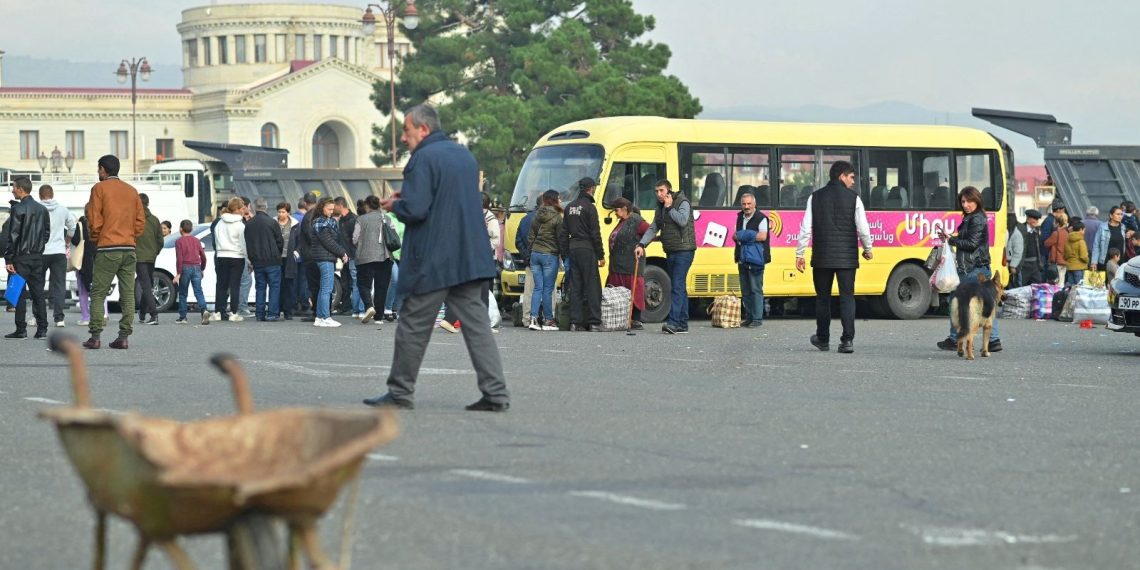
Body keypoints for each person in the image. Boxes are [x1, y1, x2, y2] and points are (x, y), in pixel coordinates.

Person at [363, 104, 509, 412]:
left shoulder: (422, 158)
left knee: (413, 324)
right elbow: (448, 200)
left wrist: (394, 205)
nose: (404, 138)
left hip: (434, 259)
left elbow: (417, 209)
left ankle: (400, 391)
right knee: (477, 327)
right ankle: (496, 393)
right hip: (470, 256)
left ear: (423, 129)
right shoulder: (464, 156)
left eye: (406, 130)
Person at [794, 161, 873, 354]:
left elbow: (806, 228)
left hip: (821, 257)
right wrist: (868, 248)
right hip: (846, 258)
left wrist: (800, 253)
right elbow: (863, 228)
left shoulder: (815, 197)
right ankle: (847, 341)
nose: (853, 182)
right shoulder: (854, 199)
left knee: (823, 299)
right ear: (842, 176)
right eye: (851, 177)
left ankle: (822, 339)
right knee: (847, 298)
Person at [84, 156, 146, 350]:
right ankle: (124, 336)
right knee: (127, 293)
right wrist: (131, 236)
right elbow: (140, 221)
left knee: (98, 292)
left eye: (98, 169)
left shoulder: (99, 189)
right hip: (129, 248)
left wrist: (97, 238)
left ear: (103, 169)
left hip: (108, 247)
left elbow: (95, 220)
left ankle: (95, 336)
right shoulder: (132, 191)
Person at [936, 186, 1002, 353]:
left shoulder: (977, 219)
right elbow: (969, 239)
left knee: (956, 301)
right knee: (986, 301)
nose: (965, 204)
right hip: (977, 267)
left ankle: (954, 338)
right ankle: (993, 340)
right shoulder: (972, 218)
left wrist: (952, 240)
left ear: (977, 200)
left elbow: (972, 244)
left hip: (973, 268)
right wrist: (952, 237)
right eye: (963, 201)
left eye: (969, 201)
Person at [635, 179, 696, 335]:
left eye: (661, 191)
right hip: (671, 250)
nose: (658, 194)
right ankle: (683, 323)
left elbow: (682, 221)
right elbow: (653, 227)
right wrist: (641, 244)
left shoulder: (683, 202)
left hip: (684, 250)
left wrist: (669, 208)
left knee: (676, 285)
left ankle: (673, 323)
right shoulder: (660, 208)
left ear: (669, 191)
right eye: (656, 191)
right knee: (679, 286)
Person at [3, 176, 51, 340]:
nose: (12, 190)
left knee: (19, 293)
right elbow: (46, 233)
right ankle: (42, 329)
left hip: (20, 257)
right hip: (37, 257)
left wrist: (8, 258)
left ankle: (21, 329)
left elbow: (13, 236)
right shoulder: (42, 209)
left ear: (21, 189)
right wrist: (38, 248)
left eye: (14, 187)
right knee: (38, 293)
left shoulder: (18, 209)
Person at [557, 177, 605, 332]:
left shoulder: (569, 207)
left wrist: (565, 254)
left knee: (575, 286)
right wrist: (601, 255)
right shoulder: (590, 208)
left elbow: (563, 234)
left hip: (573, 249)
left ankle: (575, 322)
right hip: (587, 249)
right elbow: (595, 233)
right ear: (590, 189)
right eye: (594, 187)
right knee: (592, 285)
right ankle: (594, 322)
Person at [606, 197, 649, 330]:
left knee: (634, 291)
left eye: (616, 210)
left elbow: (650, 232)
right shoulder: (622, 221)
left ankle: (636, 319)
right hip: (618, 265)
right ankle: (622, 318)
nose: (615, 213)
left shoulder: (636, 220)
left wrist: (641, 245)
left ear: (625, 209)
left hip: (630, 264)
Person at [38, 184, 77, 328]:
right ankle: (59, 318)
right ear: (52, 194)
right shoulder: (63, 209)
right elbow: (72, 226)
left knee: (38, 285)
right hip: (59, 252)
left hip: (41, 252)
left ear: (40, 195)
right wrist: (67, 241)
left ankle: (38, 317)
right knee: (59, 285)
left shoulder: (36, 208)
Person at [353, 195, 395, 325]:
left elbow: (355, 238)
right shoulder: (387, 218)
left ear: (367, 205)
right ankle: (379, 317)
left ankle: (369, 306)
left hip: (365, 258)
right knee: (381, 288)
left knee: (363, 284)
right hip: (385, 257)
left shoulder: (361, 219)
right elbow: (394, 236)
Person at [527, 189, 564, 331]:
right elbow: (560, 238)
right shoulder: (557, 217)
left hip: (535, 254)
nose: (560, 200)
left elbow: (531, 235)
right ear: (554, 200)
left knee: (537, 288)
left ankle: (533, 319)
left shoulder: (537, 214)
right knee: (548, 290)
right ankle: (548, 320)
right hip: (550, 255)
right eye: (559, 198)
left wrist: (530, 252)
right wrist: (562, 254)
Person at [308, 197, 348, 327]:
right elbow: (329, 242)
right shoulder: (321, 222)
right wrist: (342, 253)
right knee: (327, 289)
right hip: (325, 258)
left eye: (332, 209)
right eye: (329, 209)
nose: (331, 212)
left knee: (323, 289)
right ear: (322, 208)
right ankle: (325, 317)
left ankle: (319, 317)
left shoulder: (322, 221)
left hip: (323, 258)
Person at [245, 197, 285, 322]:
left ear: (255, 208)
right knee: (274, 286)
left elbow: (248, 243)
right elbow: (280, 241)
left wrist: (252, 259)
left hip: (257, 261)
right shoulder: (272, 222)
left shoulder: (249, 224)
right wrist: (277, 254)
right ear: (266, 207)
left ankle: (259, 314)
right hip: (273, 260)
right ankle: (272, 314)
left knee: (260, 287)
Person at [734, 192, 769, 327]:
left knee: (756, 289)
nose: (746, 206)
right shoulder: (739, 217)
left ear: (754, 204)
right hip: (742, 257)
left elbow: (762, 237)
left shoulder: (761, 218)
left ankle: (757, 319)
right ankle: (749, 317)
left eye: (749, 204)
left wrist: (744, 235)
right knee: (745, 290)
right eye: (744, 204)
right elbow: (735, 237)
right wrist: (745, 236)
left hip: (756, 259)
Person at [213, 197, 248, 322]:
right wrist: (247, 258)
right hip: (237, 256)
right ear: (237, 209)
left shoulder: (219, 223)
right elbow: (243, 243)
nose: (243, 210)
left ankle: (218, 312)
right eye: (242, 208)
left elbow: (216, 240)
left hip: (222, 255)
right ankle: (233, 313)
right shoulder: (240, 225)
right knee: (235, 286)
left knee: (221, 285)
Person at [135, 193, 165, 325]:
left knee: (146, 285)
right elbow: (160, 240)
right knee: (148, 284)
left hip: (139, 256)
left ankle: (154, 314)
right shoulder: (154, 220)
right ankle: (142, 313)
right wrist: (155, 252)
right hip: (151, 257)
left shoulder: (134, 220)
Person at [173, 220, 210, 325]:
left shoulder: (179, 242)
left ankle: (183, 317)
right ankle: (204, 310)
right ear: (192, 229)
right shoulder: (196, 241)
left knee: (183, 293)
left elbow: (179, 258)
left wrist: (178, 273)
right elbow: (203, 256)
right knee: (198, 291)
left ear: (180, 229)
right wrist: (202, 268)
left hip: (185, 267)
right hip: (196, 267)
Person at [71, 210, 104, 327]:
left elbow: (74, 240)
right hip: (99, 258)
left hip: (83, 260)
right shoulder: (101, 223)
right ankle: (103, 314)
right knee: (100, 288)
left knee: (83, 289)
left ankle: (86, 317)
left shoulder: (80, 224)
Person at [334, 197, 364, 317]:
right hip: (343, 255)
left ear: (340, 205)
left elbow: (356, 240)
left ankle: (354, 307)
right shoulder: (341, 220)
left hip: (352, 255)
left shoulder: (353, 219)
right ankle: (346, 306)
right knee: (344, 281)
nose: (333, 208)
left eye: (335, 206)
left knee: (353, 281)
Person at [514, 195, 541, 325]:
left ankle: (526, 318)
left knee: (529, 290)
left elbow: (518, 241)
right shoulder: (549, 218)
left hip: (530, 260)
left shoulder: (525, 219)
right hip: (547, 258)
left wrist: (526, 255)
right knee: (549, 289)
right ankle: (549, 318)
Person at [1007, 209, 1045, 286]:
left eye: (1037, 219)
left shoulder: (1036, 231)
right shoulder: (1020, 229)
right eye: (1034, 219)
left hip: (1035, 264)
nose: (1037, 221)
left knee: (1037, 285)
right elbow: (1011, 246)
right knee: (1020, 286)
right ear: (1028, 219)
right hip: (1023, 264)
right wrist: (1012, 263)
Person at [1091, 206, 1131, 278]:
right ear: (1111, 215)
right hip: (1104, 261)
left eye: (1121, 214)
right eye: (1117, 214)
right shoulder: (1102, 227)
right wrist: (1094, 262)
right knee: (1103, 284)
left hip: (1119, 262)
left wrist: (1129, 235)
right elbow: (1096, 245)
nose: (1120, 216)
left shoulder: (1123, 227)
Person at [275, 202, 296, 319]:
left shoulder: (294, 224)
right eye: (279, 212)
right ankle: (276, 310)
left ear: (288, 212)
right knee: (276, 284)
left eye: (283, 212)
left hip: (289, 258)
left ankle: (288, 311)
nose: (281, 214)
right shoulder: (273, 223)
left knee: (288, 285)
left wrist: (297, 252)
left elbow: (299, 240)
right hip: (277, 258)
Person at [383, 209, 405, 321]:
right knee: (395, 280)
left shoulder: (404, 217)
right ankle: (388, 308)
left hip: (403, 255)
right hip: (391, 254)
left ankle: (397, 309)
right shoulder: (387, 217)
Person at [236, 196, 254, 318]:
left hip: (228, 256)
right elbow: (244, 242)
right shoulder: (240, 223)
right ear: (245, 207)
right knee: (246, 280)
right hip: (241, 256)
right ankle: (241, 307)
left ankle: (235, 306)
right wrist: (249, 260)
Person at [1043, 210, 1069, 285]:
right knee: (1061, 282)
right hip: (1064, 261)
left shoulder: (1056, 233)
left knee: (1054, 283)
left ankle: (1055, 296)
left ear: (1057, 223)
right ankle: (1060, 296)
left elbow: (1046, 243)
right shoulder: (1067, 233)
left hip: (1056, 262)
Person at [1064, 219, 1089, 286]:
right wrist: (1087, 261)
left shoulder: (1067, 240)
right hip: (1079, 268)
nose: (1084, 232)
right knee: (1079, 287)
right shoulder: (1081, 241)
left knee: (1070, 286)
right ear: (1081, 229)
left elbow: (1065, 254)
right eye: (1084, 230)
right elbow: (1083, 256)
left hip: (1069, 267)